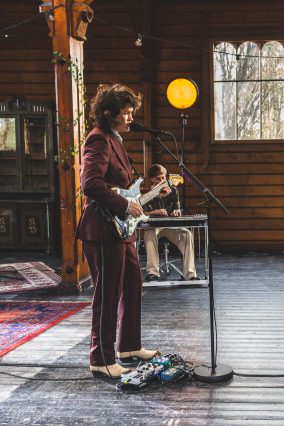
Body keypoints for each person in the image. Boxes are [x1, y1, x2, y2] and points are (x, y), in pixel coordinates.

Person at [76, 83, 159, 379]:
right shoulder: (98, 139)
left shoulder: (114, 139)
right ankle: (101, 357)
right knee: (107, 294)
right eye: (125, 112)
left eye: (131, 112)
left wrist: (146, 196)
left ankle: (128, 346)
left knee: (133, 284)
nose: (130, 117)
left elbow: (122, 187)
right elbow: (90, 184)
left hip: (120, 229)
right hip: (102, 228)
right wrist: (125, 206)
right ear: (108, 113)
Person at [142, 164, 199, 281]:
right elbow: (140, 214)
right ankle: (153, 272)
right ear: (151, 179)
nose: (162, 181)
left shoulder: (173, 190)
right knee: (149, 234)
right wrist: (154, 212)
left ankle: (190, 274)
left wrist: (177, 212)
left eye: (163, 178)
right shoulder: (146, 194)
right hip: (153, 227)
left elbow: (176, 209)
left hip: (169, 226)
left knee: (187, 234)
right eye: (158, 179)